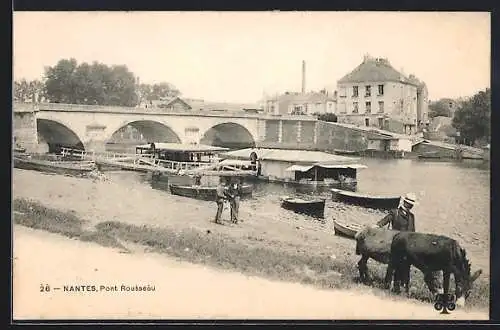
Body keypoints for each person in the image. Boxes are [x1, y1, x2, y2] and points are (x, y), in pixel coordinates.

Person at [376, 192, 441, 293]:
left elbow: (413, 232)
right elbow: (384, 221)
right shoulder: (395, 212)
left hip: (408, 246)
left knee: (406, 265)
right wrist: (376, 226)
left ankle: (404, 285)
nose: (410, 206)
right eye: (408, 203)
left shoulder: (411, 216)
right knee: (393, 264)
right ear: (404, 202)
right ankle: (388, 283)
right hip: (396, 243)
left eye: (411, 205)